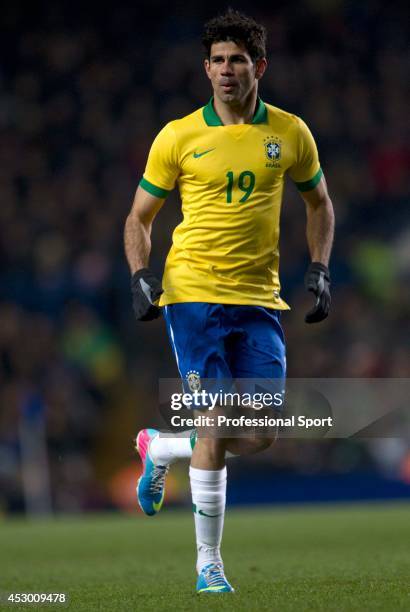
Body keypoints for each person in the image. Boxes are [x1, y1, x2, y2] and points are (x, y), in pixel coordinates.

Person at [124, 9, 334, 594]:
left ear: (258, 66)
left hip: (259, 301)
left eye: (236, 60)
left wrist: (319, 265)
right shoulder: (178, 136)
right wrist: (141, 273)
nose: (225, 70)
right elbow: (139, 218)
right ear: (206, 69)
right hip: (193, 294)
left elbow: (320, 204)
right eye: (216, 61)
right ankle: (208, 566)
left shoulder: (290, 133)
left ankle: (162, 445)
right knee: (217, 422)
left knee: (262, 432)